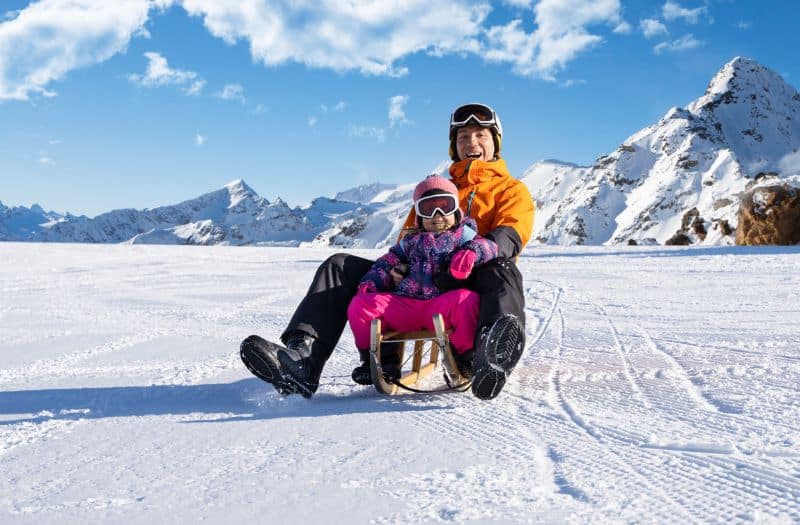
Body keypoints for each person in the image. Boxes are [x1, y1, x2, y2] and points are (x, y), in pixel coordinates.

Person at [240, 102, 535, 400]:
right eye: (463, 138)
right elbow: (408, 240)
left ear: (495, 142)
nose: (471, 142)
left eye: (480, 135)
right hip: (423, 279)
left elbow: (511, 234)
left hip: (473, 275)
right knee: (339, 265)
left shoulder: (511, 190)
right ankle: (303, 359)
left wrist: (473, 253)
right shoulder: (435, 190)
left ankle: (491, 354)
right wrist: (397, 270)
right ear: (454, 147)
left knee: (504, 269)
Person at [347, 174, 498, 385]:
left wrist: (472, 252)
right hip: (406, 304)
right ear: (419, 215)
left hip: (441, 305)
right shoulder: (410, 241)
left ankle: (466, 358)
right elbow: (387, 261)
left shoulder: (464, 236)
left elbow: (490, 247)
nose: (437, 216)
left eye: (445, 207)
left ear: (456, 211)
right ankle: (380, 362)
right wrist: (370, 282)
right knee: (360, 305)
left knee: (467, 300)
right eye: (428, 209)